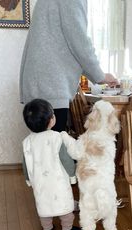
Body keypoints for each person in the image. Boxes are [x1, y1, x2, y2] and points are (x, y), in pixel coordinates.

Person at [19, 0, 118, 132]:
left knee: (41, 146)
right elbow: (79, 42)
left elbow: (69, 45)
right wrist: (99, 75)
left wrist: (99, 75)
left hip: (41, 82)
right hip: (51, 84)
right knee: (51, 147)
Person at [22, 98, 81, 230]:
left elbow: (25, 163)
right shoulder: (57, 137)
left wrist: (28, 179)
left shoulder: (26, 142)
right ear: (51, 120)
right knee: (64, 203)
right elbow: (66, 159)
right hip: (58, 180)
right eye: (53, 114)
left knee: (43, 203)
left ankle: (47, 227)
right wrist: (72, 176)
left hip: (40, 182)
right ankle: (67, 227)